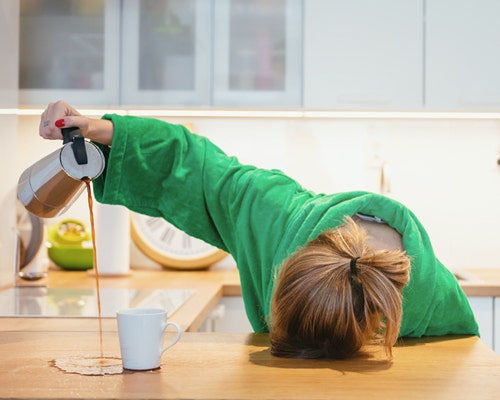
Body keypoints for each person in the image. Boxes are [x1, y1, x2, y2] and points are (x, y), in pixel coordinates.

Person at [39, 101, 479, 360]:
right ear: (282, 265)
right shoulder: (271, 214)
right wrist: (102, 130)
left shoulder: (431, 299)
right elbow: (195, 167)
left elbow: (459, 363)